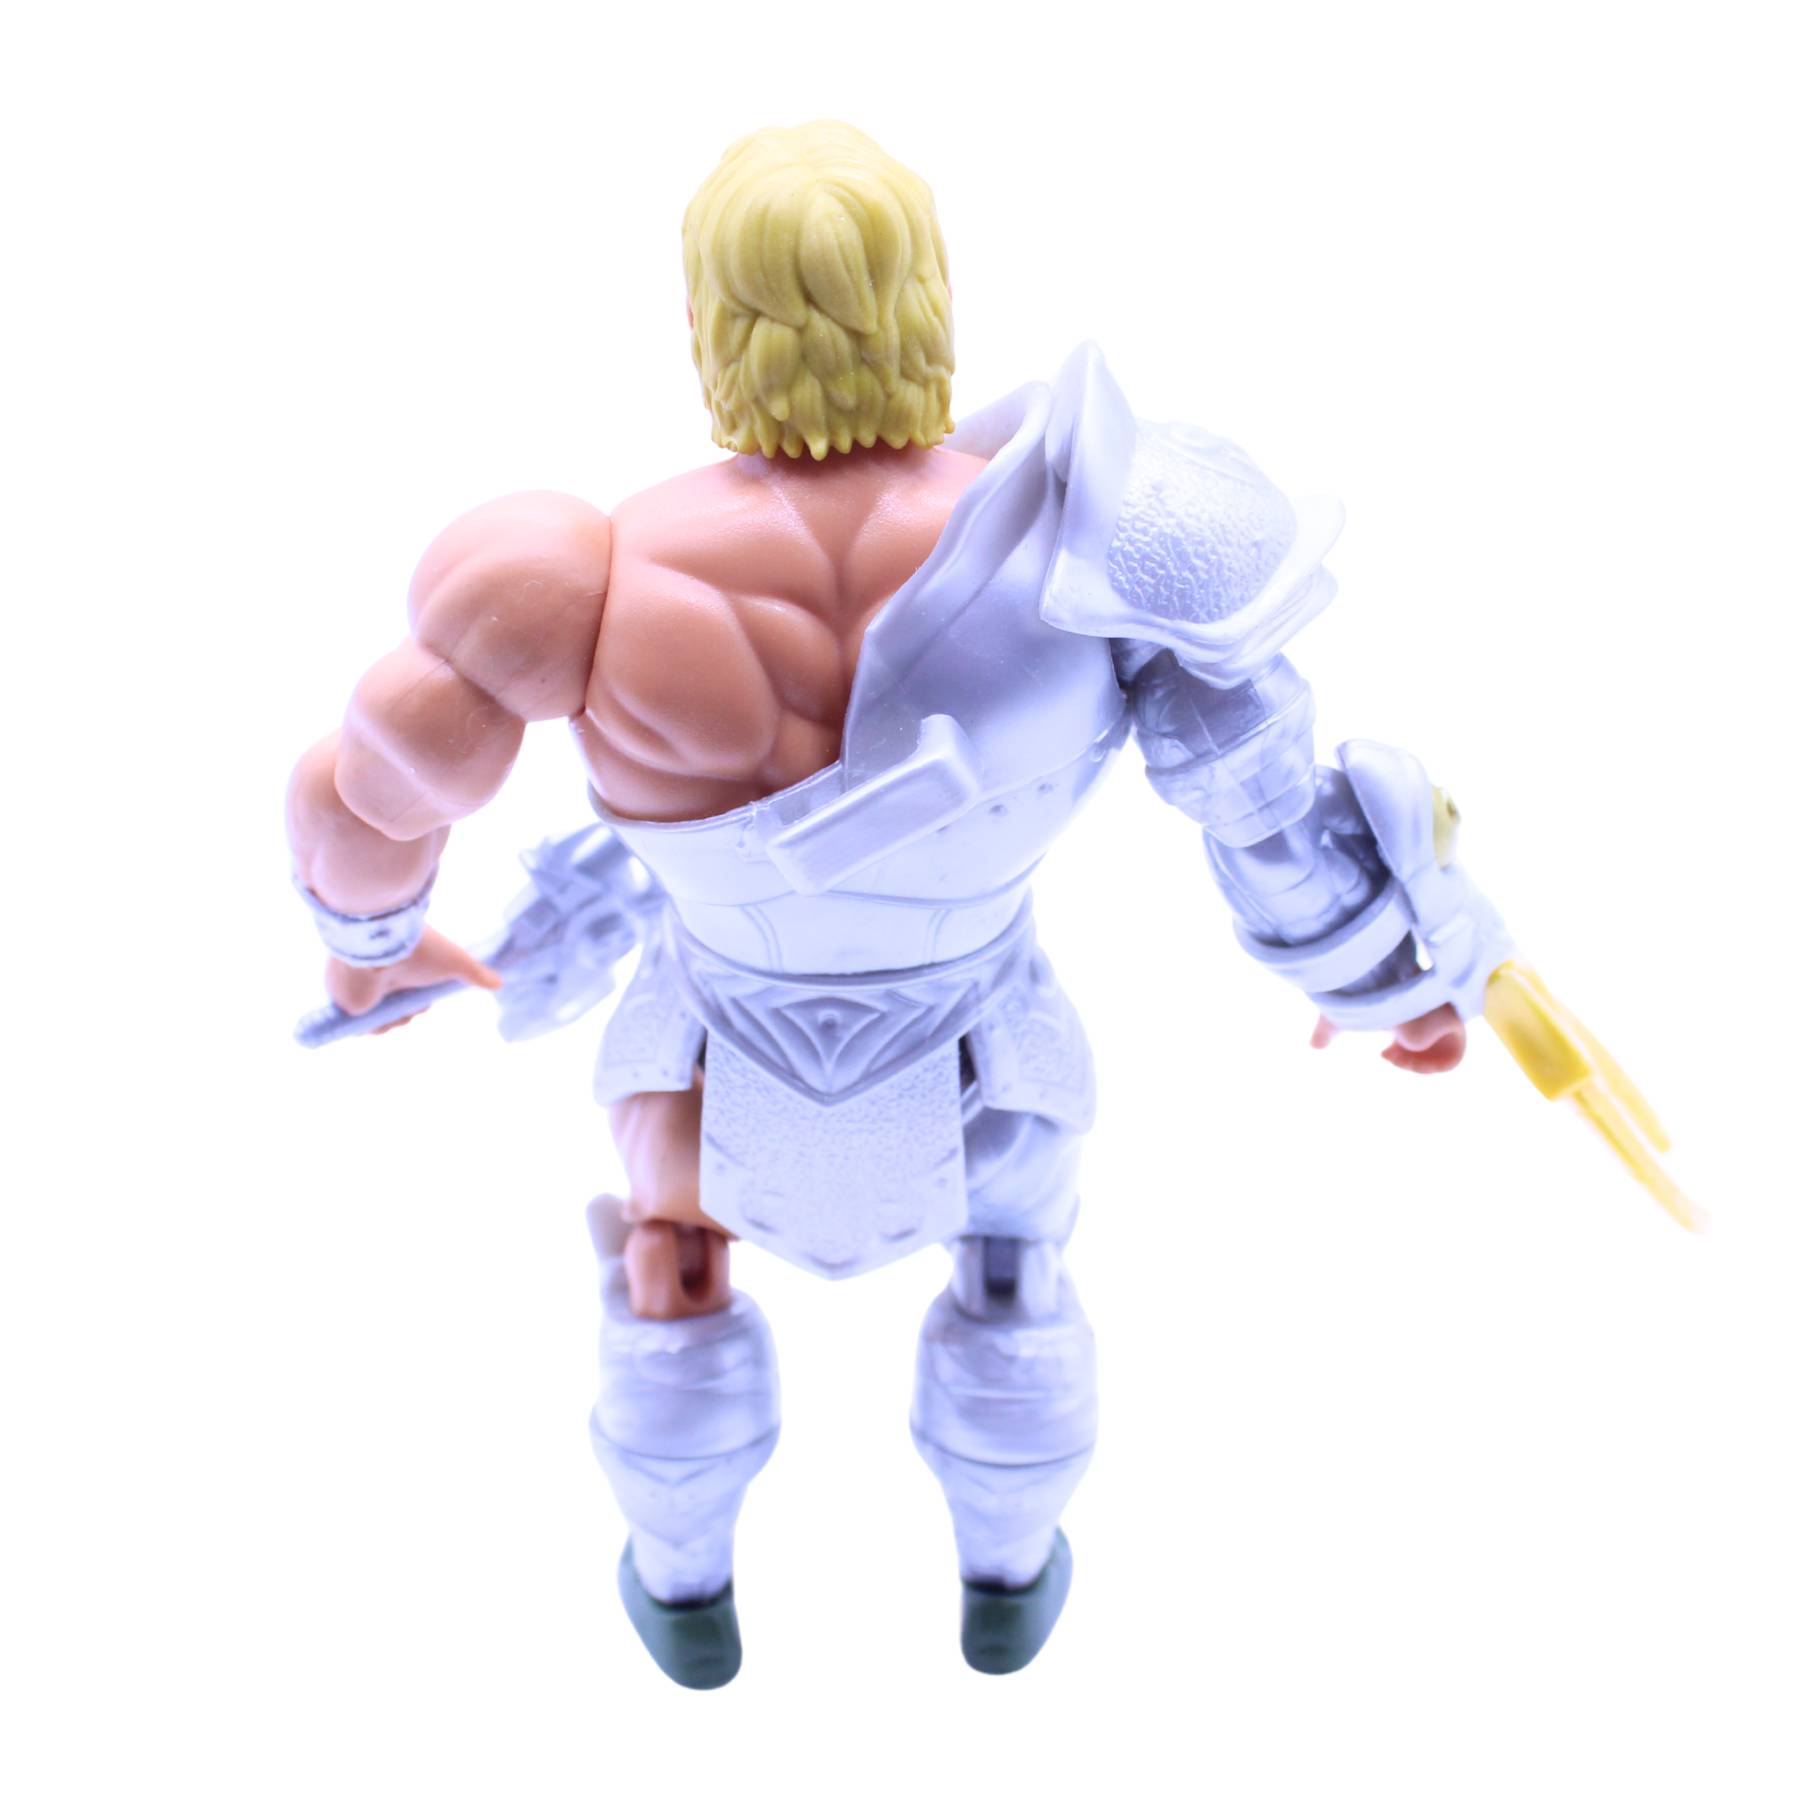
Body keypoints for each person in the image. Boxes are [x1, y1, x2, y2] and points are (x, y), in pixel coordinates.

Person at [286, 120, 1513, 1688]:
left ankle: (683, 1584)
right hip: (989, 1062)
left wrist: (369, 951)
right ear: (931, 299)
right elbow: (1257, 801)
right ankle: (1006, 1576)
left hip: (708, 1064)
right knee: (1015, 1277)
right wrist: (1381, 981)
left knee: (672, 1261)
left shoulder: (571, 579)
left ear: (705, 321)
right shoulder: (1096, 540)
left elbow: (367, 797)